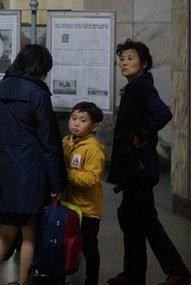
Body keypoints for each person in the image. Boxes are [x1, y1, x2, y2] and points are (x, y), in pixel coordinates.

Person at [107, 40, 191, 285]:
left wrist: (142, 134)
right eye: (122, 58)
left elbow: (163, 113)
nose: (124, 62)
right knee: (129, 216)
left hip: (139, 168)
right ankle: (133, 273)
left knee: (143, 219)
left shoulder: (143, 87)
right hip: (133, 167)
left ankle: (178, 271)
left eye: (130, 58)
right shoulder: (134, 87)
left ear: (143, 64)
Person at [0, 44, 64, 285]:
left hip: (2, 171)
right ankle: (23, 281)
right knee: (30, 233)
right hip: (31, 173)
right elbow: (49, 141)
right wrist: (57, 181)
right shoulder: (37, 94)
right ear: (40, 68)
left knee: (5, 230)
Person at [62, 102, 106, 285]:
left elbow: (91, 179)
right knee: (66, 243)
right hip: (68, 205)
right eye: (73, 118)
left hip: (88, 210)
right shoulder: (66, 142)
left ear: (94, 127)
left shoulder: (93, 149)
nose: (76, 124)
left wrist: (67, 173)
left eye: (82, 120)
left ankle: (92, 279)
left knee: (88, 245)